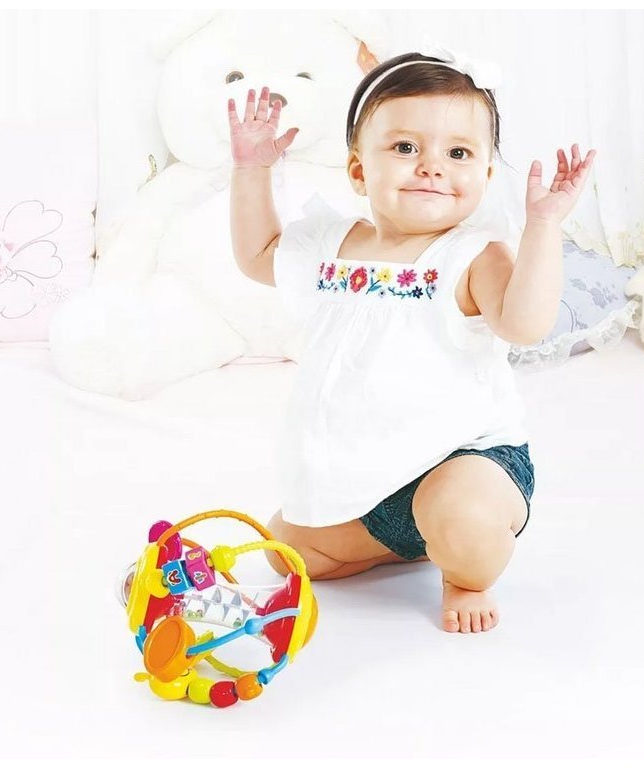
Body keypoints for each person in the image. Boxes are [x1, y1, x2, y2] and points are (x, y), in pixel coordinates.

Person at [227, 47, 596, 633]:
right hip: (367, 483)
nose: (431, 167)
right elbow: (258, 256)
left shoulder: (473, 255)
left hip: (464, 462)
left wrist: (543, 227)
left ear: (485, 176)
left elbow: (524, 325)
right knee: (286, 552)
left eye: (458, 153)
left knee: (465, 521)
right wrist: (252, 170)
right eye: (405, 148)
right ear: (358, 170)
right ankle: (401, 544)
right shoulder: (331, 245)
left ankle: (464, 572)